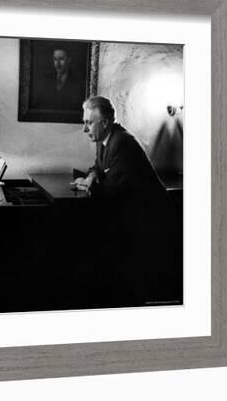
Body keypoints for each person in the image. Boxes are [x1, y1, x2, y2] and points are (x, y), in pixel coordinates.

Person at [74, 96, 181, 305]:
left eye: (88, 123)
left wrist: (89, 185)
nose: (84, 129)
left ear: (104, 122)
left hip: (150, 221)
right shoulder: (106, 139)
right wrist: (92, 176)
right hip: (133, 215)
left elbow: (112, 189)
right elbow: (99, 166)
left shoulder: (122, 142)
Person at [33, 46, 85, 111]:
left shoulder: (77, 82)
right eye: (55, 59)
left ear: (68, 60)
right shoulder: (47, 80)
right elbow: (39, 105)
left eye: (61, 59)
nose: (57, 64)